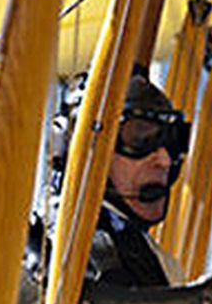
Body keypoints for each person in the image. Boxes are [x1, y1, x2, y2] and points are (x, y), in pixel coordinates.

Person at [42, 72, 191, 288]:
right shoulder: (69, 256)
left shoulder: (148, 256)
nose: (164, 160)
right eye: (141, 137)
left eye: (173, 140)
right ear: (82, 149)